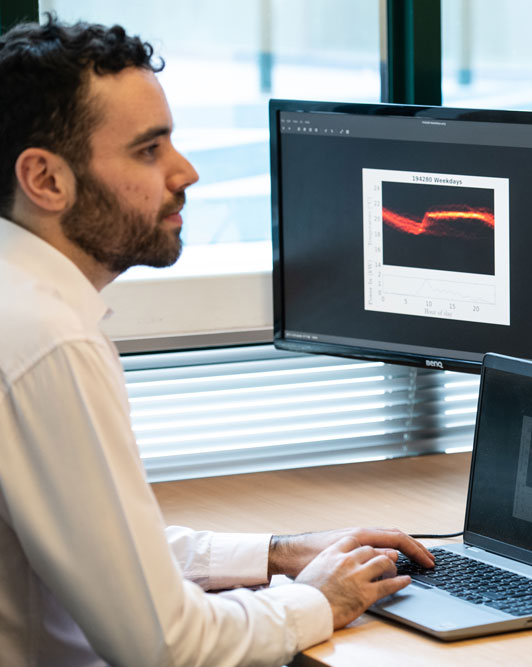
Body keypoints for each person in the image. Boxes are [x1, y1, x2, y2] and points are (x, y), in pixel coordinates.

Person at [0, 14, 434, 666]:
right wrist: (315, 599)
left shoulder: (24, 303)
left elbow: (100, 544)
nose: (187, 171)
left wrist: (276, 553)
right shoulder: (48, 342)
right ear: (46, 179)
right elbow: (163, 644)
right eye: (148, 150)